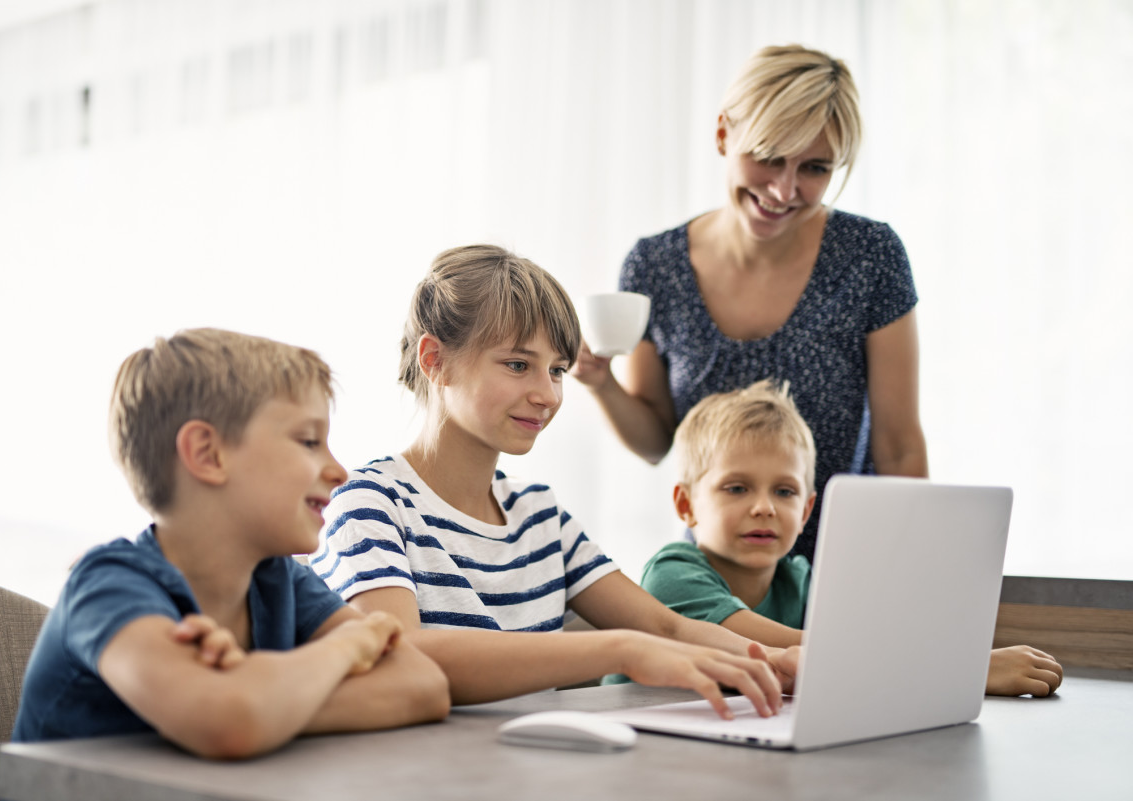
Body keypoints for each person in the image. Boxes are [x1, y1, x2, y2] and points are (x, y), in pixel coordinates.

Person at [311, 244, 799, 720]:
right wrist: (619, 650)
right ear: (434, 360)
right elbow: (403, 651)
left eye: (558, 370)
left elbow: (664, 624)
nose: (547, 394)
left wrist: (774, 660)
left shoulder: (538, 513)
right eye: (518, 365)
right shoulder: (369, 504)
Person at [12, 328, 450, 759]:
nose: (340, 472)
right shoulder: (106, 585)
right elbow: (231, 723)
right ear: (207, 454)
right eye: (309, 441)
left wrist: (260, 700)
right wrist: (348, 646)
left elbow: (424, 686)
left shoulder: (278, 578)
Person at [572, 44, 927, 562]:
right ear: (723, 134)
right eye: (768, 157)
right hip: (716, 579)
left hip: (846, 563)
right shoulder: (655, 266)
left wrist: (913, 568)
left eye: (815, 168)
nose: (784, 190)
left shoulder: (871, 257)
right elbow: (656, 441)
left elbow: (899, 448)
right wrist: (601, 384)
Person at [631, 380, 1063, 697]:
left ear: (806, 511)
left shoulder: (801, 578)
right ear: (686, 505)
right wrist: (958, 669)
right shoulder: (672, 574)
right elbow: (772, 646)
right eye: (737, 488)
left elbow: (863, 644)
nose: (764, 507)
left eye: (784, 491)